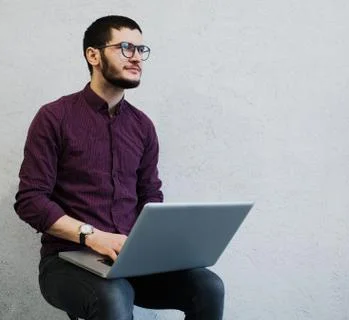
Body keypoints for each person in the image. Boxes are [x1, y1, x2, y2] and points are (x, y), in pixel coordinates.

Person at [14, 15, 224, 320]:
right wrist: (92, 235)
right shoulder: (54, 118)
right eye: (126, 48)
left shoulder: (142, 127)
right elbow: (30, 201)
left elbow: (149, 196)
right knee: (114, 294)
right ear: (93, 55)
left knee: (208, 285)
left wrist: (164, 240)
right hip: (66, 261)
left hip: (130, 259)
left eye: (141, 50)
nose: (137, 57)